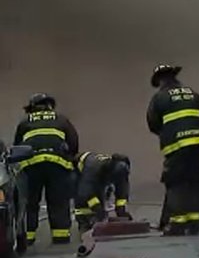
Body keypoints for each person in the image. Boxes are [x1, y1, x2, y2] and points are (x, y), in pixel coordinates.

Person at [146, 64, 199, 236]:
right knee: (194, 182)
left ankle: (177, 224)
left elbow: (153, 124)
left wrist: (168, 133)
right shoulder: (193, 94)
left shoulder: (159, 97)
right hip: (198, 144)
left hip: (177, 147)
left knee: (176, 183)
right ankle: (195, 222)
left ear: (160, 81)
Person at [13, 93, 79, 245]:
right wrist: (69, 157)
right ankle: (61, 237)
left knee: (30, 202)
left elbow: (17, 147)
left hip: (31, 166)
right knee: (58, 201)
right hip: (58, 165)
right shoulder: (61, 119)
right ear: (50, 106)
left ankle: (28, 238)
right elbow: (73, 142)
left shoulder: (25, 121)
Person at [73, 152, 133, 230]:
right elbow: (86, 192)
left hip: (99, 173)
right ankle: (83, 221)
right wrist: (97, 208)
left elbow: (122, 190)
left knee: (99, 197)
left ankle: (96, 219)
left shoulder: (122, 171)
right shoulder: (93, 169)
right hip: (78, 168)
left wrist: (121, 210)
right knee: (83, 197)